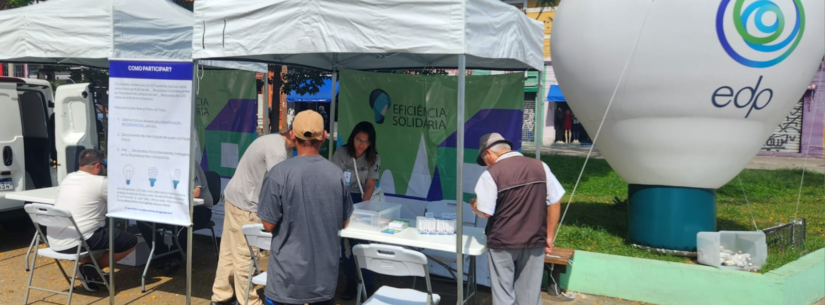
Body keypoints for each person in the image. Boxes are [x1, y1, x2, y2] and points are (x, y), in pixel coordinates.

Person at [257, 110, 353, 305]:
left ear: (292, 134)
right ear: (324, 136)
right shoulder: (336, 175)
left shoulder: (278, 173)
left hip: (286, 280)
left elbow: (268, 224)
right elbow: (344, 221)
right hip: (323, 281)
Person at [470, 133, 564, 305]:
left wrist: (475, 206)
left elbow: (486, 212)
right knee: (530, 295)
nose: (486, 165)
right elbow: (555, 200)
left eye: (484, 160)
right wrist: (549, 235)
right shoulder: (540, 166)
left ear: (489, 153)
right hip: (535, 239)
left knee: (503, 295)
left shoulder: (491, 174)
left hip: (502, 241)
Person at [211, 132, 294, 305]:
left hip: (237, 199)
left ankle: (221, 296)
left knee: (228, 250)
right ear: (294, 134)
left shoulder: (276, 141)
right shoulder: (278, 151)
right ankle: (249, 301)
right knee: (245, 255)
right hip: (246, 205)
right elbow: (278, 188)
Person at [49, 149, 137, 292]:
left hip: (55, 241)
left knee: (93, 228)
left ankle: (88, 267)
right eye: (105, 165)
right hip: (77, 242)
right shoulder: (101, 182)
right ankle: (91, 269)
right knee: (130, 241)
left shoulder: (68, 178)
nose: (105, 169)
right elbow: (125, 201)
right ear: (98, 166)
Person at [331, 121, 380, 300]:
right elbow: (335, 182)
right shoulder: (341, 153)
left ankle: (369, 285)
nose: (361, 145)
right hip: (344, 200)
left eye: (365, 142)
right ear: (353, 138)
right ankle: (351, 282)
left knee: (364, 245)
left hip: (363, 203)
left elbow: (370, 184)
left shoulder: (374, 157)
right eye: (358, 140)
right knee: (347, 247)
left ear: (371, 143)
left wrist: (362, 209)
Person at [136, 165, 214, 273]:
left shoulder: (190, 162)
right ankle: (161, 255)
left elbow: (196, 193)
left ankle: (174, 257)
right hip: (174, 208)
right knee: (143, 221)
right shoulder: (165, 164)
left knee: (182, 222)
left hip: (200, 208)